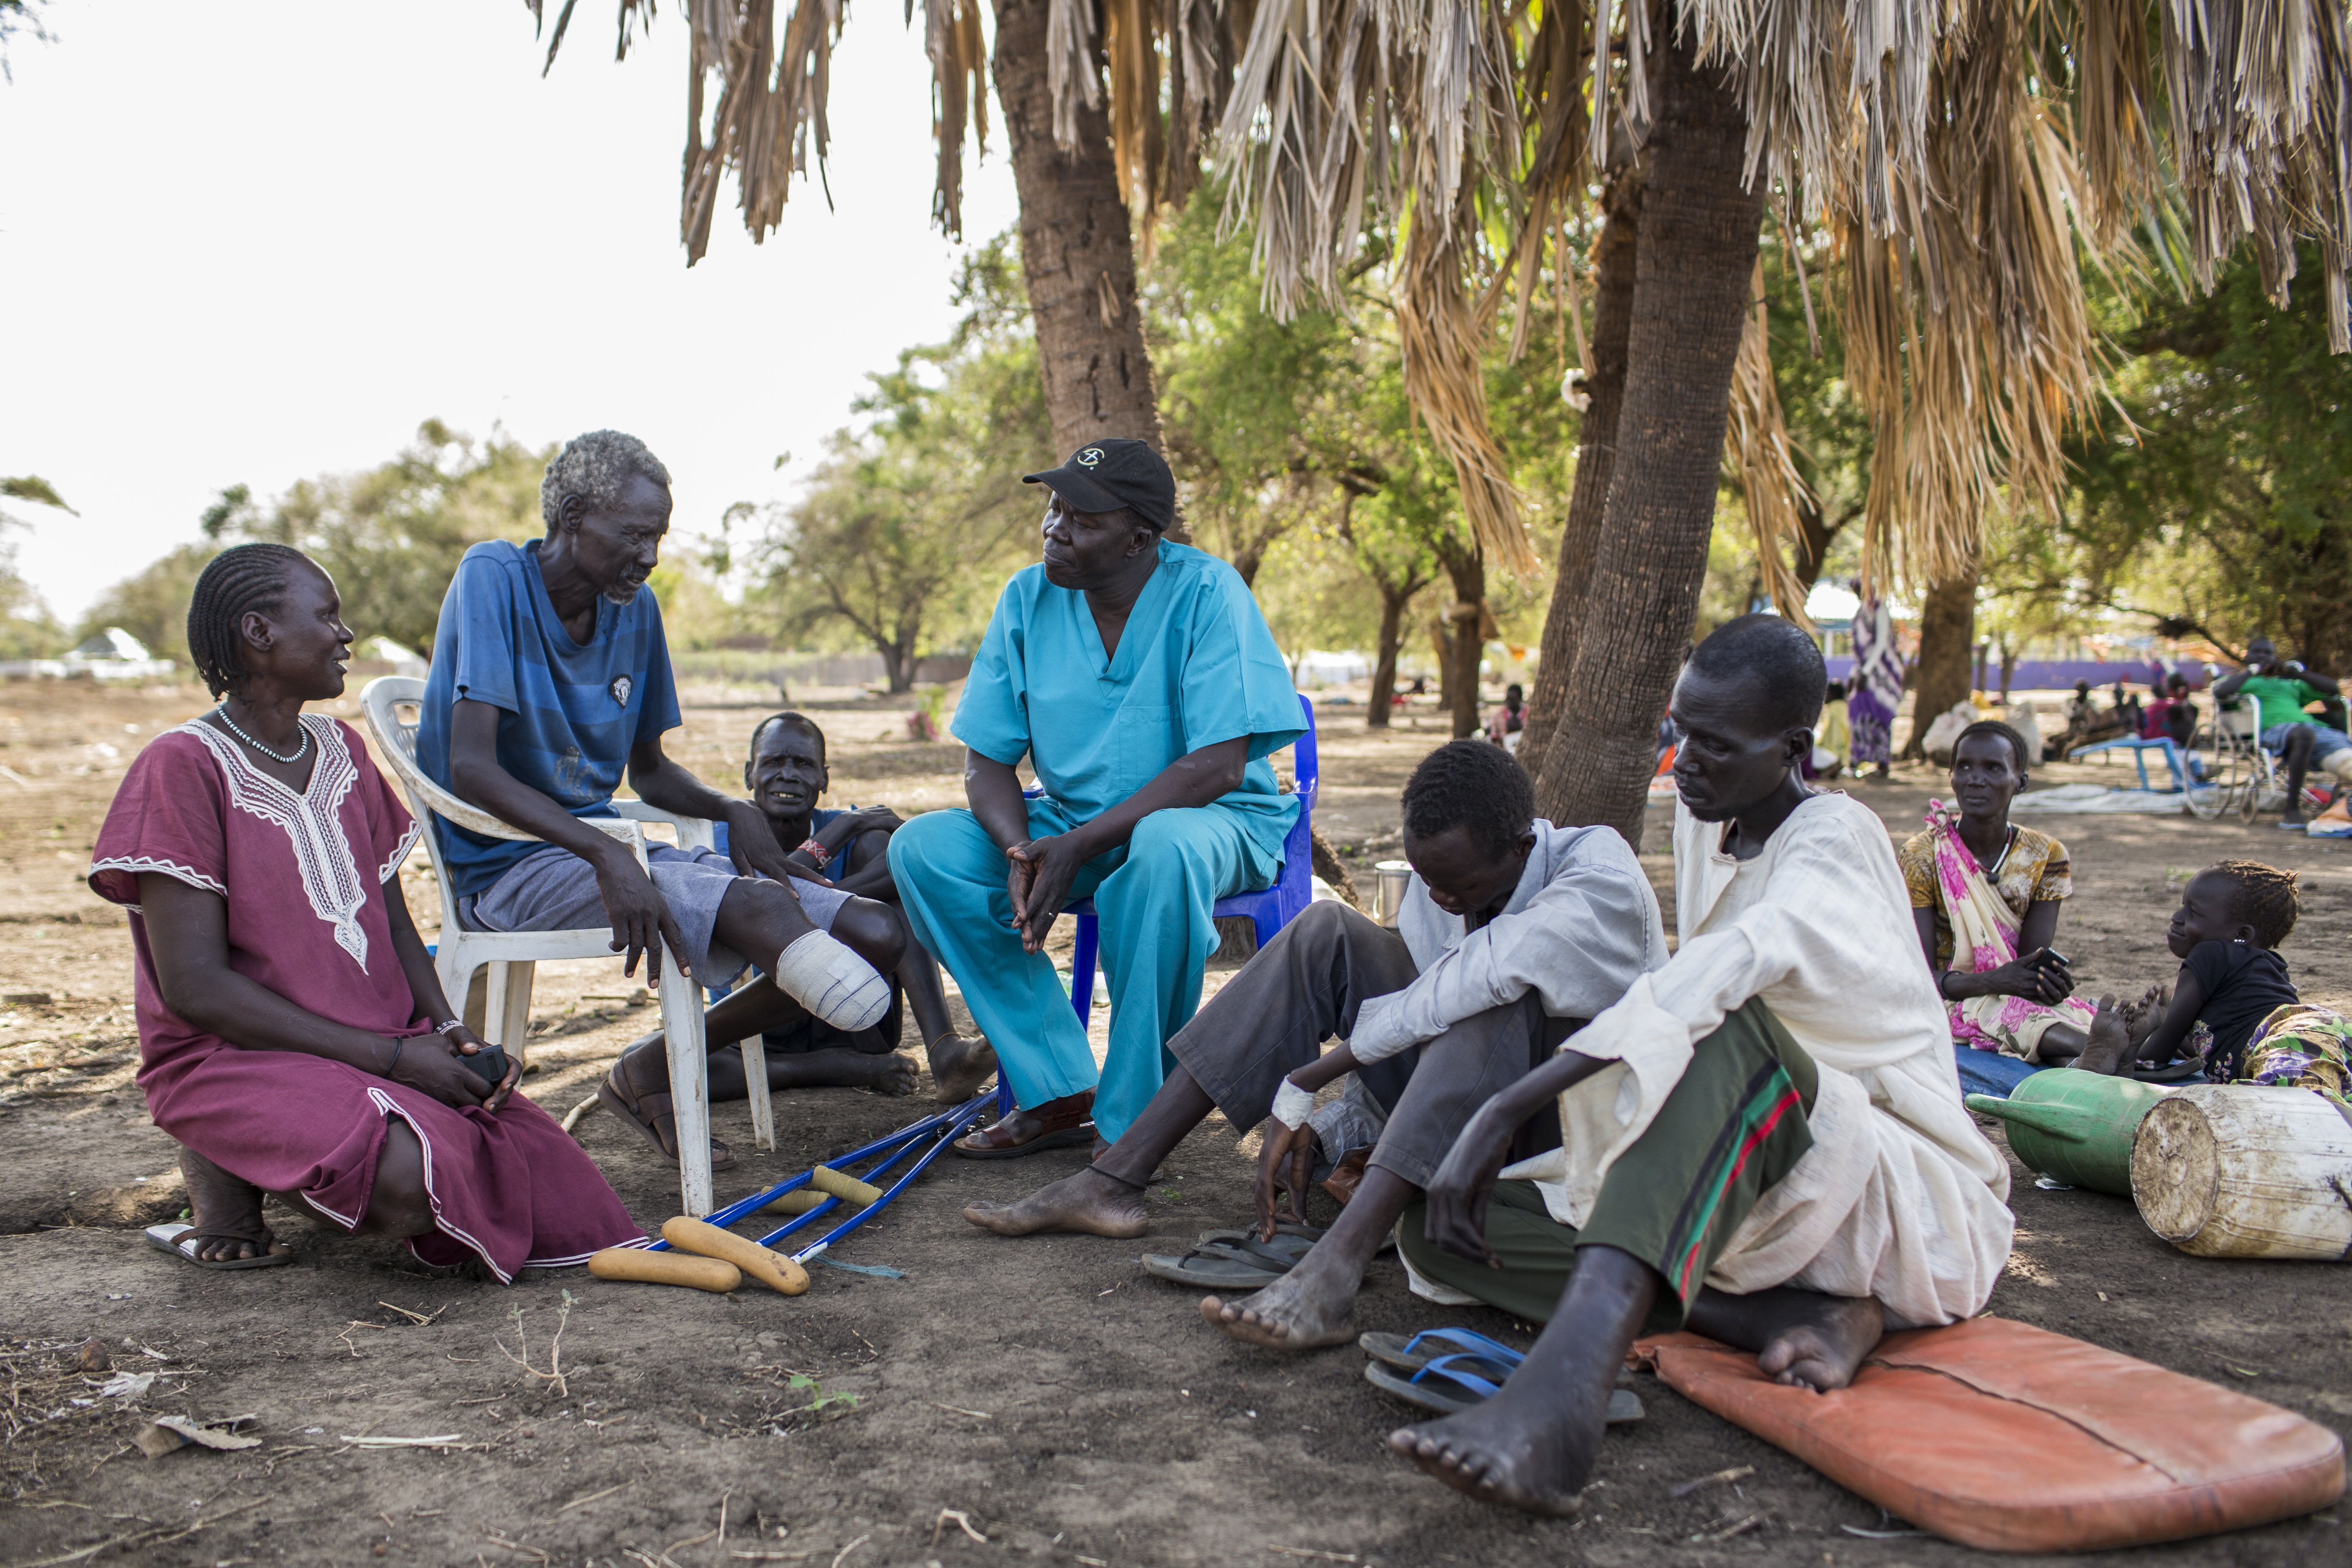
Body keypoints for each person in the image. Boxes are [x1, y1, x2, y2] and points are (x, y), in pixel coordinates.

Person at [1382, 614, 2012, 1518]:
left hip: (1880, 1180)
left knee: (1729, 1037)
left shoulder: (1834, 837)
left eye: (1715, 746)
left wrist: (1503, 1106)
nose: (1686, 764)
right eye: (1680, 735)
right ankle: (1802, 1316)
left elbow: (1725, 973)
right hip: (1747, 1175)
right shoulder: (1703, 819)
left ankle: (1562, 1403)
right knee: (1445, 1229)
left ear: (1793, 748)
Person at [961, 741, 1666, 1357]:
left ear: (1521, 847)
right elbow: (1421, 1033)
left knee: (1491, 1005)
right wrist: (1333, 1124)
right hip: (1461, 1112)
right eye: (1432, 882)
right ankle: (1115, 1177)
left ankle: (1337, 1265)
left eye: (1463, 885)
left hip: (1562, 1133)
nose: (1444, 899)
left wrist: (1310, 1077)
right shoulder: (1442, 888)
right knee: (1325, 930)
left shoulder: (1599, 874)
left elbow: (1469, 987)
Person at [90, 544, 641, 1276]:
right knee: (413, 1182)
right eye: (327, 616)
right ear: (259, 633)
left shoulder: (341, 750)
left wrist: (447, 1031)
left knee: (552, 1177)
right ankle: (224, 1157)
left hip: (377, 1041)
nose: (345, 635)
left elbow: (393, 924)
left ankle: (280, 1147)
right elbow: (195, 989)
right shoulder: (183, 766)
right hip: (236, 1054)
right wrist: (392, 1060)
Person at [413, 431, 897, 1171]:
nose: (650, 557)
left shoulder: (632, 610)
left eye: (659, 537)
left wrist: (733, 808)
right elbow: (471, 769)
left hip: (604, 846)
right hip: (506, 866)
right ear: (572, 516)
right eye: (635, 535)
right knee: (769, 912)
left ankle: (646, 1068)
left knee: (875, 933)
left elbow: (652, 775)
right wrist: (605, 850)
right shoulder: (494, 576)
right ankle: (658, 1074)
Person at [888, 440, 1306, 1155]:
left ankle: (1133, 1123)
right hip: (1071, 824)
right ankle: (1059, 1091)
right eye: (1055, 509)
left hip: (1213, 823)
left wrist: (1081, 843)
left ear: (1140, 538)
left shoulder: (1209, 593)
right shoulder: (1028, 597)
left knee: (1163, 849)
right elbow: (986, 760)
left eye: (1082, 518)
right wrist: (1017, 848)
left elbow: (1217, 766)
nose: (1056, 528)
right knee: (924, 849)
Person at [606, 712, 1001, 1115]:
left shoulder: (860, 833)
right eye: (774, 762)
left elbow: (889, 871)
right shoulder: (721, 837)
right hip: (761, 1022)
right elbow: (767, 901)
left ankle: (943, 1050)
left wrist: (827, 905)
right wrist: (838, 834)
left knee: (892, 890)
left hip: (857, 1020)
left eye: (804, 764)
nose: (789, 775)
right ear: (749, 774)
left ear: (824, 779)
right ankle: (819, 1068)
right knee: (657, 1057)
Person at [1897, 721, 2092, 1095]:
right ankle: (2099, 1055)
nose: (1975, 779)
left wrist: (2046, 983)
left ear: (2021, 781)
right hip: (1947, 997)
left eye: (1993, 768)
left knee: (2060, 1015)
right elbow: (1919, 978)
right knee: (2019, 1019)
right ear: (1951, 776)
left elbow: (2030, 962)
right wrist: (1991, 982)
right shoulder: (1922, 855)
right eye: (1964, 767)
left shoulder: (2046, 854)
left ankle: (2105, 1056)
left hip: (2011, 997)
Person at [2076, 862, 2346, 1099]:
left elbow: (2155, 1056)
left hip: (2288, 1042)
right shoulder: (2266, 970)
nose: (2177, 918)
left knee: (2296, 1112)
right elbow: (2218, 1035)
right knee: (2322, 1108)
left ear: (2241, 933)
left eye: (2194, 912)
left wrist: (2137, 1043)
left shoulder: (2210, 954)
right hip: (2325, 1033)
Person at [2212, 637, 2352, 828]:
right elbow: (2220, 692)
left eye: (2268, 653)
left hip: (2314, 730)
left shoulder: (2290, 684)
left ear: (2276, 658)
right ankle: (2291, 811)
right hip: (2272, 732)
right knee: (2304, 734)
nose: (2262, 657)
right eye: (2257, 652)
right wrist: (2252, 671)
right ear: (2247, 656)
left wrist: (2297, 674)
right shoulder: (2241, 681)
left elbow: (2333, 689)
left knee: (2342, 754)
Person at [1846, 591, 1902, 779]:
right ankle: (1858, 760)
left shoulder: (1880, 609)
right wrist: (1856, 674)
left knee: (1881, 714)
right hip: (1864, 671)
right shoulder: (1862, 610)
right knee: (1857, 713)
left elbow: (1881, 644)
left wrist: (1866, 672)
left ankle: (1882, 762)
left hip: (1882, 674)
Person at [1484, 683, 1526, 752]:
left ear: (1520, 699)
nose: (1508, 702)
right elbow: (1494, 738)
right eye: (1507, 699)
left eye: (1512, 700)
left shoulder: (1530, 716)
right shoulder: (1497, 717)